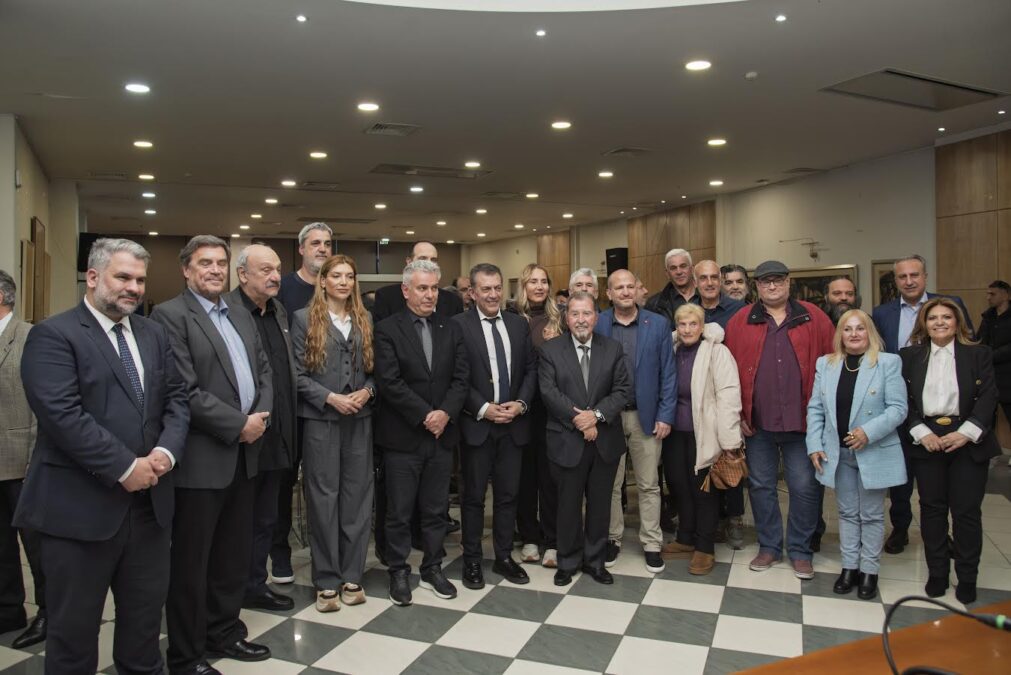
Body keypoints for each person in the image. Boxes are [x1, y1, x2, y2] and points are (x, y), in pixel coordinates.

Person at [15, 239, 189, 674]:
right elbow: (61, 415)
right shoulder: (54, 335)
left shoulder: (153, 334)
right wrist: (126, 467)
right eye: (123, 277)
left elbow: (177, 400)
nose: (134, 288)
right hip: (78, 513)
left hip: (149, 513)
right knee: (73, 638)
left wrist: (166, 452)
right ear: (92, 278)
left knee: (144, 634)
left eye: (140, 280)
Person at [152, 235, 274, 672]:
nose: (215, 270)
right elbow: (184, 390)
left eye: (221, 262)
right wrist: (238, 424)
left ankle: (224, 631)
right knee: (191, 564)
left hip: (245, 456)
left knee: (231, 557)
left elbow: (264, 371)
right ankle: (187, 656)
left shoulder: (239, 313)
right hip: (201, 462)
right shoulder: (169, 316)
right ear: (186, 269)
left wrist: (260, 417)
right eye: (205, 263)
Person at [724, 260, 834, 580]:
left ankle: (800, 550)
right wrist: (739, 414)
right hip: (758, 423)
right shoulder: (740, 321)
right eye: (765, 281)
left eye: (777, 280)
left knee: (804, 487)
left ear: (788, 282)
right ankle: (770, 546)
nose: (771, 286)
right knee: (761, 486)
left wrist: (823, 419)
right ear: (756, 286)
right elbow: (727, 373)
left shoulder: (814, 317)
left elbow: (832, 366)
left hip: (803, 423)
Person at [374, 259, 469, 606]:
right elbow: (389, 382)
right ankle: (398, 571)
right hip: (403, 437)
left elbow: (461, 378)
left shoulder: (451, 328)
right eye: (422, 288)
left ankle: (432, 567)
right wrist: (426, 414)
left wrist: (444, 413)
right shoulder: (387, 329)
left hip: (441, 437)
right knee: (399, 512)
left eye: (433, 288)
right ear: (406, 290)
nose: (430, 295)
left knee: (435, 509)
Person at [900, 297, 1001, 604]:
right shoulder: (909, 356)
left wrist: (965, 434)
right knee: (931, 511)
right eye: (933, 318)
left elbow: (989, 396)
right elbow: (904, 401)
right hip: (927, 439)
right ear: (924, 324)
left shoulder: (978, 354)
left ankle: (967, 577)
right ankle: (938, 573)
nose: (940, 322)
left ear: (957, 323)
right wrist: (922, 433)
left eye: (946, 317)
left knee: (966, 512)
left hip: (967, 439)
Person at [871, 254, 973, 555]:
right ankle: (900, 527)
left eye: (914, 275)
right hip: (899, 403)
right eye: (902, 277)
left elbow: (969, 346)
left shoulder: (948, 305)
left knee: (943, 477)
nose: (909, 281)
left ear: (925, 276)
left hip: (942, 406)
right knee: (900, 472)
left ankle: (943, 532)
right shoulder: (882, 313)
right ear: (895, 281)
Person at [292, 254, 376, 612]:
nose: (344, 282)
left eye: (349, 276)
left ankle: (352, 574)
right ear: (323, 281)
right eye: (337, 276)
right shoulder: (303, 319)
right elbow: (296, 376)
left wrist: (368, 391)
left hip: (360, 419)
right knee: (323, 499)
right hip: (321, 421)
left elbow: (376, 371)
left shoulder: (364, 318)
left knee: (357, 498)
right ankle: (326, 579)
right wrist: (330, 398)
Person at [806, 310, 908, 600]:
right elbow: (815, 408)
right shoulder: (826, 364)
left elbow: (898, 408)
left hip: (872, 451)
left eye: (860, 328)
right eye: (847, 329)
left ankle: (869, 572)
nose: (853, 334)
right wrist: (814, 444)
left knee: (872, 515)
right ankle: (849, 567)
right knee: (847, 513)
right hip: (837, 454)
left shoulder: (887, 363)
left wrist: (867, 432)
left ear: (869, 332)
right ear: (840, 334)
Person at [453, 263, 537, 589]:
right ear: (472, 293)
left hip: (513, 426)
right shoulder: (458, 326)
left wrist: (521, 404)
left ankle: (503, 556)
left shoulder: (517, 324)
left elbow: (530, 369)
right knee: (474, 497)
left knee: (507, 495)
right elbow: (456, 376)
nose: (492, 295)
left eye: (497, 288)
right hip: (477, 426)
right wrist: (483, 408)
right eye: (485, 289)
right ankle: (472, 560)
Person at [538, 292, 630, 586]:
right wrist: (579, 419)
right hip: (567, 440)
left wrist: (596, 416)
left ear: (596, 317)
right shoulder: (550, 350)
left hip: (604, 442)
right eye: (575, 314)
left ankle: (595, 561)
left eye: (586, 313)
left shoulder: (613, 349)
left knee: (600, 506)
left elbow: (622, 390)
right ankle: (567, 561)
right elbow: (548, 392)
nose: (581, 319)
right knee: (567, 505)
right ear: (567, 318)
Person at [227, 245, 298, 614]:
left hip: (277, 434)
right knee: (238, 521)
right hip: (243, 435)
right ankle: (230, 591)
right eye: (265, 270)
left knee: (266, 518)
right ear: (243, 274)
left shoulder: (278, 310)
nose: (274, 276)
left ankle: (254, 584)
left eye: (277, 269)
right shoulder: (226, 311)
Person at [596, 270, 676, 574]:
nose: (626, 292)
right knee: (610, 484)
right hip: (609, 418)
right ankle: (612, 538)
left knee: (649, 484)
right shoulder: (599, 322)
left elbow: (668, 373)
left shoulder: (658, 324)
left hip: (647, 417)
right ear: (609, 293)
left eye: (631, 286)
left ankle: (652, 543)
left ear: (638, 289)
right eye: (619, 287)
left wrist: (665, 415)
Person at [273, 222, 333, 585]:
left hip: (329, 409)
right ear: (301, 249)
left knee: (323, 486)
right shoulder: (283, 290)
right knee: (283, 483)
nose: (322, 249)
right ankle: (279, 551)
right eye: (315, 243)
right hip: (291, 406)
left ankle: (324, 552)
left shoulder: (339, 289)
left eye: (327, 243)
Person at [662, 304, 743, 575]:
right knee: (679, 486)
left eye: (693, 324)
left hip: (706, 432)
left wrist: (730, 441)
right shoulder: (671, 349)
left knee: (704, 491)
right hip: (674, 432)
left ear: (702, 325)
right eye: (682, 324)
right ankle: (686, 538)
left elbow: (729, 396)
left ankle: (705, 547)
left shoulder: (717, 352)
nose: (687, 330)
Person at [0, 270, 46, 649]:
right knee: (1, 546)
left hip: (24, 462)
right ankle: (8, 610)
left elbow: (44, 406)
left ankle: (49, 612)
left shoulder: (31, 337)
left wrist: (37, 460)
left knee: (38, 547)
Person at [511, 263, 564, 567]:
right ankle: (529, 536)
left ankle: (553, 540)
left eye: (544, 281)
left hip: (551, 409)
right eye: (533, 281)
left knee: (551, 477)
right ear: (524, 285)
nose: (539, 286)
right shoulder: (511, 318)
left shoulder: (560, 319)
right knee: (525, 477)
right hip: (521, 407)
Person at [372, 241, 464, 321]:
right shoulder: (386, 297)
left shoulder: (453, 301)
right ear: (409, 262)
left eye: (433, 260)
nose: (428, 263)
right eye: (423, 259)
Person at [978, 280, 1011, 430]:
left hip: (1008, 375)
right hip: (988, 376)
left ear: (1006, 295)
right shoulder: (988, 317)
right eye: (987, 294)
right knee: (984, 421)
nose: (988, 298)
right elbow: (979, 341)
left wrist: (990, 355)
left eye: (993, 294)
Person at [646, 249, 700, 321]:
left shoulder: (706, 295)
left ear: (692, 269)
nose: (679, 272)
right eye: (673, 268)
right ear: (667, 274)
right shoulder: (654, 304)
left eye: (683, 266)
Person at [695, 260, 746, 329]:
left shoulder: (739, 309)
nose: (710, 283)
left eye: (714, 277)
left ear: (720, 281)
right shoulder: (688, 310)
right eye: (703, 278)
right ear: (695, 283)